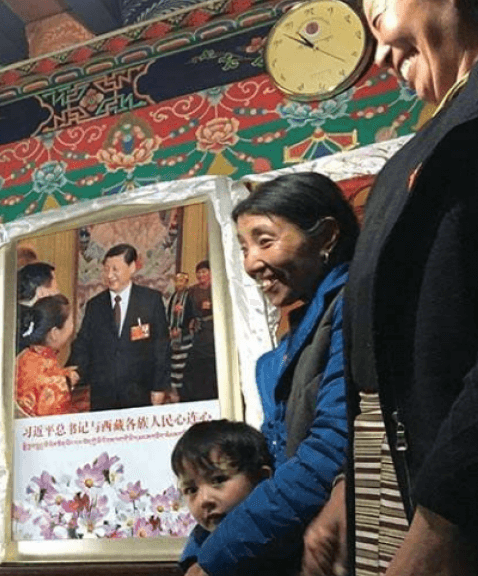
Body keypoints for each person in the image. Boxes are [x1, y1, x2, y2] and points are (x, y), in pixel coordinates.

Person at [302, 1, 478, 574]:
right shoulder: (451, 122)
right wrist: (352, 483)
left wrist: (446, 521)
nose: (378, 54)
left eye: (378, 16)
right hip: (396, 472)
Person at [181, 172, 356, 576]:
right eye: (244, 248)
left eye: (265, 241)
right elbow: (267, 461)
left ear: (326, 236)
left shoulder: (351, 306)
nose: (250, 263)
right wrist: (199, 551)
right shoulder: (285, 348)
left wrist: (214, 559)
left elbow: (330, 450)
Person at [67, 243, 170, 411]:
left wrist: (159, 387)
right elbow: (83, 343)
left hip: (139, 391)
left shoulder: (151, 301)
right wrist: (75, 371)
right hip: (103, 393)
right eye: (106, 269)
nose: (109, 275)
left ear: (132, 267)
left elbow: (161, 346)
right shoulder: (95, 305)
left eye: (115, 269)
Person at [173, 420, 277, 575]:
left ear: (261, 479)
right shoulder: (198, 550)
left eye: (218, 480)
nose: (204, 500)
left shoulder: (281, 541)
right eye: (191, 490)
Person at [15, 294, 79, 416]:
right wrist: (64, 381)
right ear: (54, 333)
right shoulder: (57, 384)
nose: (72, 327)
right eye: (70, 323)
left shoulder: (23, 357)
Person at [180, 260, 218, 402]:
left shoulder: (218, 288)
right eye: (198, 272)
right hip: (198, 332)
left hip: (214, 331)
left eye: (204, 271)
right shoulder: (192, 291)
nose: (201, 275)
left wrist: (212, 306)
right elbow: (187, 313)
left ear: (211, 273)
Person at [166, 270, 193, 402]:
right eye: (177, 281)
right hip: (174, 336)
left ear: (186, 282)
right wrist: (171, 329)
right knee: (174, 365)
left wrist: (183, 328)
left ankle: (183, 395)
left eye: (182, 281)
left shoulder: (190, 297)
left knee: (183, 366)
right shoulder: (173, 297)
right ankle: (174, 393)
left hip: (186, 336)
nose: (179, 284)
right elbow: (169, 314)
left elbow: (192, 314)